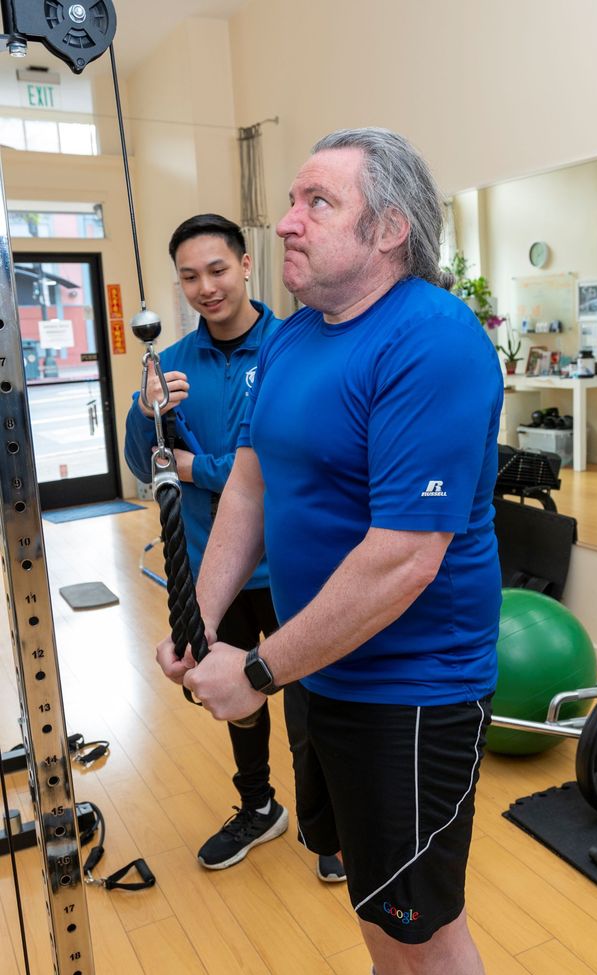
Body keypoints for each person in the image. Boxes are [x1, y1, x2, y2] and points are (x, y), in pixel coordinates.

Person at [156, 131, 504, 975]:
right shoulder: (297, 335)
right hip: (326, 669)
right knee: (376, 910)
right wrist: (199, 617)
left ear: (388, 229)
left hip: (411, 694)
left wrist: (261, 671)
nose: (285, 224)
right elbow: (250, 484)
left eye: (317, 203)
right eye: (290, 201)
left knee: (425, 930)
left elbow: (403, 560)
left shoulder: (434, 340)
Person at [125, 213, 345, 883]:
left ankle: (324, 823)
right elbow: (149, 465)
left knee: (310, 704)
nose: (205, 287)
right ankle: (258, 805)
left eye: (217, 269)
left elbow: (274, 469)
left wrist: (200, 468)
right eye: (189, 276)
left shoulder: (293, 346)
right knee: (232, 696)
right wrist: (146, 411)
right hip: (209, 566)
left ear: (246, 264)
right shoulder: (174, 362)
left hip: (291, 567)